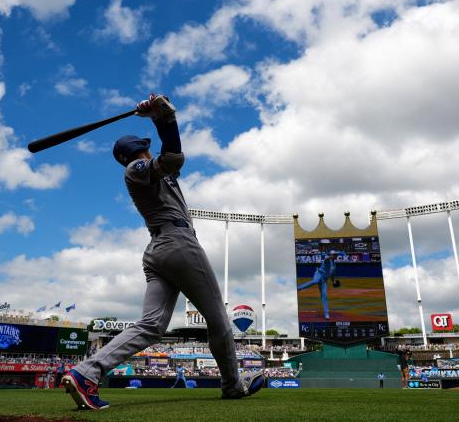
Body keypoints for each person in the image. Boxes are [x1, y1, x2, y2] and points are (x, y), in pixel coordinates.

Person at [62, 94, 264, 410]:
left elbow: (171, 161)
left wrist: (159, 116)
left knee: (152, 326)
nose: (148, 149)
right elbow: (171, 158)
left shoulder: (150, 170)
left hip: (159, 250)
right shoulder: (136, 168)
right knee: (220, 322)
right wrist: (165, 119)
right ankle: (232, 386)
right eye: (145, 146)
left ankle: (87, 372)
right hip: (178, 245)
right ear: (138, 151)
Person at [297, 250, 337, 319]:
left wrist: (333, 282)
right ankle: (299, 287)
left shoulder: (334, 266)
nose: (334, 256)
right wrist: (329, 256)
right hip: (318, 274)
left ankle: (326, 313)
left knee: (324, 295)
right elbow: (326, 258)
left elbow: (332, 276)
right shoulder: (327, 260)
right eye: (333, 255)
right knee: (315, 281)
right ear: (330, 255)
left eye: (335, 255)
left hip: (324, 280)